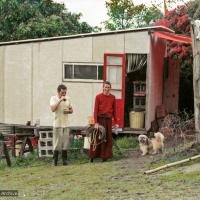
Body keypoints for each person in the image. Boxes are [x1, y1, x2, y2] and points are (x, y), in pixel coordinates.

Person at [89, 81, 118, 162]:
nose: (107, 89)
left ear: (110, 88)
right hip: (100, 120)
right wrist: (96, 122)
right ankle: (93, 156)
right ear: (103, 87)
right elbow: (95, 110)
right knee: (96, 137)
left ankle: (104, 156)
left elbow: (114, 111)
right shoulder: (98, 97)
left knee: (106, 138)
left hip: (108, 120)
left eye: (108, 87)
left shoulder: (113, 97)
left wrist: (116, 122)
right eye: (105, 87)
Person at [50, 84, 73, 166]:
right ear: (58, 92)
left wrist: (69, 111)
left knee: (65, 142)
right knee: (56, 143)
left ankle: (65, 160)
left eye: (65, 92)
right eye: (62, 92)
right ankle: (54, 161)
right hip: (57, 124)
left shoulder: (68, 99)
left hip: (66, 124)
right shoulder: (53, 98)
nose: (64, 94)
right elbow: (53, 109)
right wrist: (60, 100)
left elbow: (71, 110)